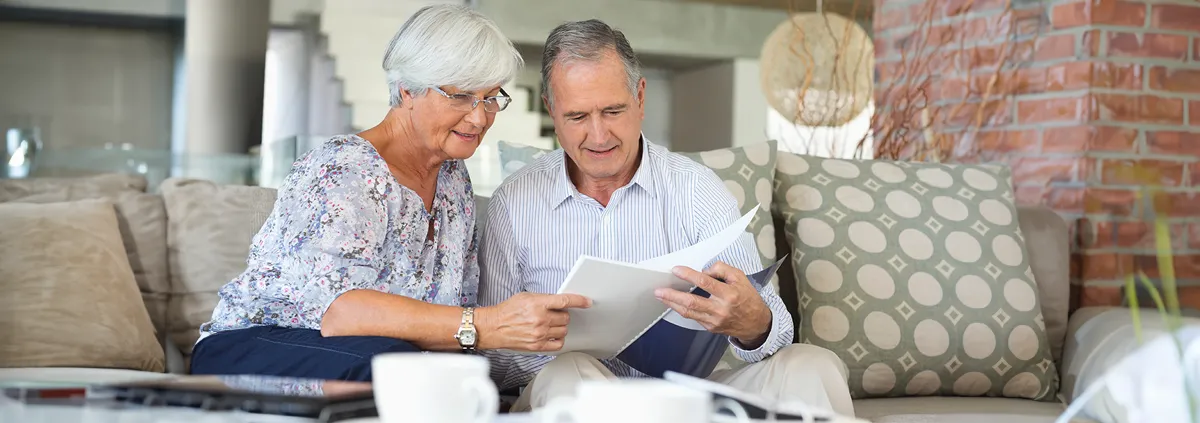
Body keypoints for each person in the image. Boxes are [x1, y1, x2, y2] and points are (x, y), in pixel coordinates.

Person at [189, 5, 591, 381]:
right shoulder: (345, 169)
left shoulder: (453, 179)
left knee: (451, 376)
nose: (479, 116)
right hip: (255, 343)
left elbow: (447, 316)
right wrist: (484, 325)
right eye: (461, 95)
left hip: (378, 353)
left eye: (490, 98)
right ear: (407, 91)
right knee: (399, 371)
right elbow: (340, 313)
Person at [478, 19, 856, 416]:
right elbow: (491, 357)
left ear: (639, 98)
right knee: (569, 374)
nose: (599, 135)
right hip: (577, 390)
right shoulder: (515, 202)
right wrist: (541, 340)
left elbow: (774, 326)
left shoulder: (695, 188)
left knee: (811, 365)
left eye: (612, 110)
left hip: (685, 393)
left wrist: (752, 322)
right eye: (577, 117)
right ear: (551, 111)